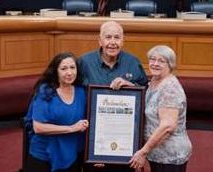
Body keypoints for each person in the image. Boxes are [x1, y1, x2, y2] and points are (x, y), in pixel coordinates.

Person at [78, 21, 148, 172]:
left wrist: (131, 86)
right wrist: (93, 151)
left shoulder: (133, 63)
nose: (112, 42)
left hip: (126, 141)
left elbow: (146, 93)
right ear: (100, 40)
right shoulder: (84, 63)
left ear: (123, 40)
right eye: (108, 37)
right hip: (93, 139)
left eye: (117, 37)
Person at [130, 45, 192, 172]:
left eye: (161, 61)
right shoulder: (154, 81)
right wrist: (129, 86)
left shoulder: (170, 89)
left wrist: (143, 151)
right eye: (152, 59)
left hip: (170, 155)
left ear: (170, 65)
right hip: (158, 152)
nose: (155, 64)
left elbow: (167, 126)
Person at [24, 52, 89, 172]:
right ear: (56, 71)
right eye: (64, 68)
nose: (69, 73)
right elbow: (38, 127)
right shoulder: (45, 91)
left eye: (72, 67)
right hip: (44, 155)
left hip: (72, 153)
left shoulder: (82, 92)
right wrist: (71, 128)